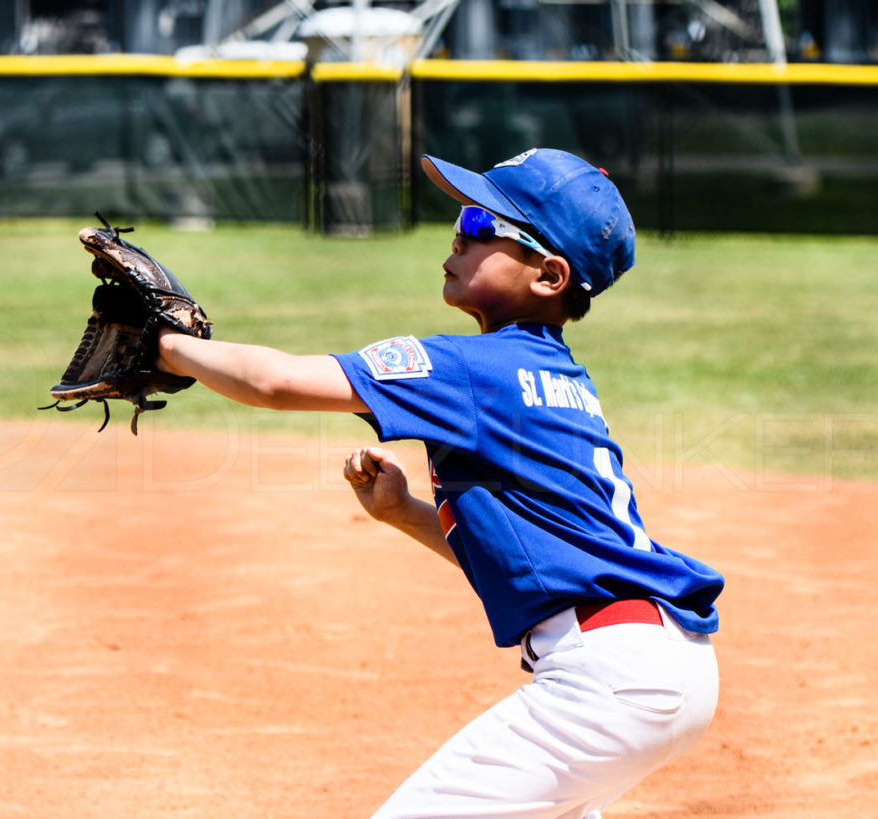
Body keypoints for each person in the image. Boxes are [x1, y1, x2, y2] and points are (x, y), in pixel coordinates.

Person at [158, 148, 724, 818]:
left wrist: (168, 348)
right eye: (461, 216)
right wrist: (404, 512)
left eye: (486, 224)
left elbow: (277, 382)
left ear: (549, 275)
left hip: (609, 680)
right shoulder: (560, 379)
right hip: (657, 665)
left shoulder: (470, 367)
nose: (460, 234)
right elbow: (535, 563)